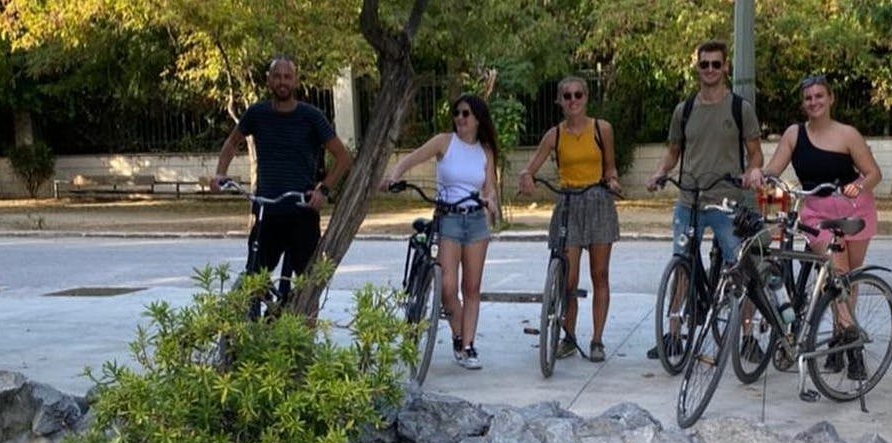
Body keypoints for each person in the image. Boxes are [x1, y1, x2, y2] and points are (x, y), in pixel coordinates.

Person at [746, 74, 882, 379]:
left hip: (853, 210)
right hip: (815, 213)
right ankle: (853, 349)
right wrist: (759, 174)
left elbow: (873, 173)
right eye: (808, 98)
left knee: (847, 282)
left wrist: (858, 187)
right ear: (803, 103)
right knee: (836, 272)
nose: (814, 102)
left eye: (820, 96)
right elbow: (774, 169)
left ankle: (837, 338)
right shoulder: (794, 134)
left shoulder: (848, 135)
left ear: (831, 99)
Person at [644, 39, 763, 359]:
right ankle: (672, 335)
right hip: (689, 202)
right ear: (697, 67)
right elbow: (672, 153)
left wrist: (753, 172)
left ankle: (748, 336)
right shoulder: (684, 110)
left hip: (727, 203)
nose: (709, 69)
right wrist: (658, 172)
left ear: (725, 67)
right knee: (681, 265)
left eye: (715, 64)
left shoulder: (740, 108)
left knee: (741, 267)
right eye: (704, 64)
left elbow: (755, 154)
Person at [211, 56, 351, 309]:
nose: (282, 81)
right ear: (268, 81)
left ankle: (304, 344)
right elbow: (232, 142)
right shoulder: (257, 114)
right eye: (277, 76)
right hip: (267, 212)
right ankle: (257, 327)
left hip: (302, 211)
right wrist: (220, 173)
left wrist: (324, 190)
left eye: (287, 77)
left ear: (295, 81)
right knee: (255, 279)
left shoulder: (311, 117)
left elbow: (342, 157)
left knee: (307, 286)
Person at [380, 94, 499, 370]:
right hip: (449, 219)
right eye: (457, 113)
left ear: (478, 118)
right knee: (447, 288)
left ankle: (468, 345)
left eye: (466, 113)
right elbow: (411, 158)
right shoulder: (444, 142)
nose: (460, 118)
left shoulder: (485, 151)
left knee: (471, 288)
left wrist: (491, 200)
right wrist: (395, 175)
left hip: (476, 222)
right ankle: (458, 334)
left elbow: (489, 186)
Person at [517, 77, 622, 362]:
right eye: (567, 96)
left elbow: (610, 168)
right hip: (568, 203)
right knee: (568, 278)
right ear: (560, 101)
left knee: (600, 274)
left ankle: (597, 340)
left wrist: (612, 182)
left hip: (598, 201)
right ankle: (568, 335)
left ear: (586, 97)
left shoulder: (602, 129)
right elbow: (530, 168)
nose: (573, 100)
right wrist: (526, 178)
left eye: (577, 95)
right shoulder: (555, 135)